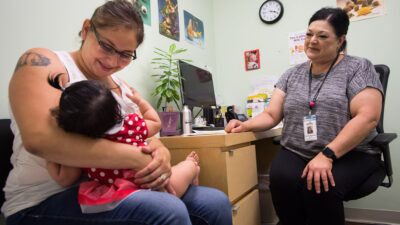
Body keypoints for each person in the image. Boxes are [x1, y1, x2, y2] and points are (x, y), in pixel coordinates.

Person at [2, 1, 232, 224]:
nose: (112, 60)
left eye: (125, 54)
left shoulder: (121, 88)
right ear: (85, 29)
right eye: (107, 46)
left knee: (215, 202)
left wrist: (161, 152)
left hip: (116, 184)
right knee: (165, 210)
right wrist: (137, 159)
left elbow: (139, 132)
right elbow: (40, 139)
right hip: (42, 199)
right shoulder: (45, 63)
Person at [225, 7, 383, 225]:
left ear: (340, 40)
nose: (312, 40)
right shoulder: (292, 74)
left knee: (321, 186)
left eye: (322, 35)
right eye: (309, 34)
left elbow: (367, 117)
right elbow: (272, 114)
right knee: (281, 180)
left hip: (351, 153)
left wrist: (328, 155)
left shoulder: (358, 67)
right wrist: (245, 125)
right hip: (298, 150)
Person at [46, 75, 200, 213]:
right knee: (186, 169)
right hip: (155, 185)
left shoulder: (80, 147)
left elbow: (64, 178)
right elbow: (156, 123)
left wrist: (50, 150)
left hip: (120, 195)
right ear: (115, 108)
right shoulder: (131, 124)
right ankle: (193, 168)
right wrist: (140, 102)